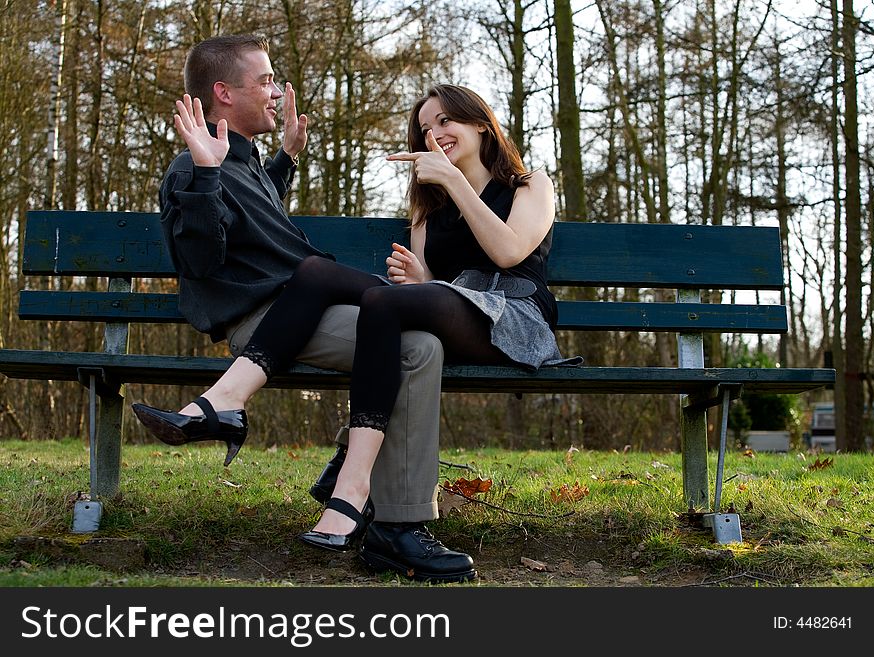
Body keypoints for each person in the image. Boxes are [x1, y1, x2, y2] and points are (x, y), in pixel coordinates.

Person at [131, 34, 474, 583]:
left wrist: (287, 156)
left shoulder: (242, 165)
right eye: (264, 80)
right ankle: (396, 523)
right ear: (223, 92)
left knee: (417, 340)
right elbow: (201, 260)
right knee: (416, 347)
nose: (276, 91)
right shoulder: (194, 170)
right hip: (267, 321)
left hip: (305, 312)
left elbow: (259, 225)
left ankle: (353, 477)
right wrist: (203, 175)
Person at [294, 83, 579, 576]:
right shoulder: (429, 209)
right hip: (457, 315)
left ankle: (348, 468)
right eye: (426, 128)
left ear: (481, 124)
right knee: (366, 295)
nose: (435, 133)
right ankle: (358, 482)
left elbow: (510, 252)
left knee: (383, 301)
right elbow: (431, 287)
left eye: (446, 121)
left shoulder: (530, 185)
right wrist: (422, 280)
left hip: (514, 318)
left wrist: (455, 182)